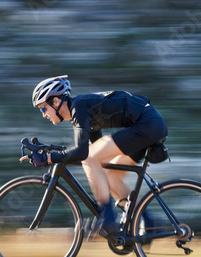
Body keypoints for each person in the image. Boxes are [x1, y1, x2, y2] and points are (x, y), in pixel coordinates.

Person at [21, 75, 168, 238]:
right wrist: (50, 152)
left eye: (43, 109)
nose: (44, 115)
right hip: (151, 124)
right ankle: (148, 221)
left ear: (55, 102)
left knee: (90, 158)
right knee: (112, 174)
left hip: (147, 124)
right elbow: (93, 147)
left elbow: (83, 153)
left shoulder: (78, 106)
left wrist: (48, 158)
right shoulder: (82, 110)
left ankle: (108, 218)